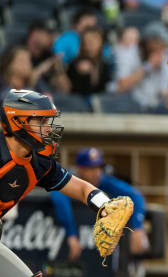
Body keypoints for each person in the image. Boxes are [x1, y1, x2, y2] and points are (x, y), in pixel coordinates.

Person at [0, 89, 129, 277]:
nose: (49, 128)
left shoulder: (39, 164)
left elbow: (83, 189)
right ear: (18, 121)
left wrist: (106, 206)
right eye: (42, 121)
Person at [50, 147, 148, 261]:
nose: (96, 172)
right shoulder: (69, 180)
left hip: (100, 252)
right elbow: (59, 198)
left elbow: (135, 196)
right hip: (60, 244)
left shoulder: (103, 181)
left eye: (98, 167)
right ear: (79, 169)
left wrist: (137, 228)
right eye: (90, 168)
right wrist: (71, 235)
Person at [66, 25, 113, 95]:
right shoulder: (74, 64)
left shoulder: (105, 64)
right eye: (87, 40)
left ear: (101, 42)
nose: (91, 44)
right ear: (82, 44)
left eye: (95, 39)